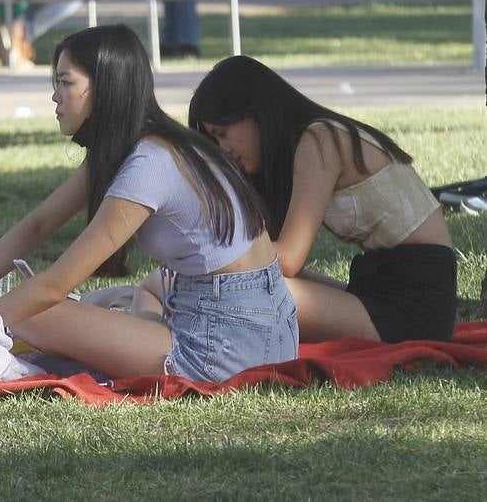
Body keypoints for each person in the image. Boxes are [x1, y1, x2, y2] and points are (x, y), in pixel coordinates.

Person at [0, 25, 297, 383]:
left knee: (35, 311)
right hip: (261, 328)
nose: (54, 97)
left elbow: (54, 286)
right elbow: (35, 226)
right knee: (53, 308)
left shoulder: (149, 163)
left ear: (103, 88)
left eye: (64, 82)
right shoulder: (143, 145)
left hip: (226, 345)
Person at [189, 55, 456, 344]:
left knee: (234, 292)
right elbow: (274, 260)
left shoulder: (320, 141)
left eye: (222, 133)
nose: (223, 149)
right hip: (381, 286)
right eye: (213, 143)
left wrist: (210, 259)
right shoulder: (299, 149)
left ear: (256, 110)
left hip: (415, 303)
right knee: (229, 288)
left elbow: (288, 260)